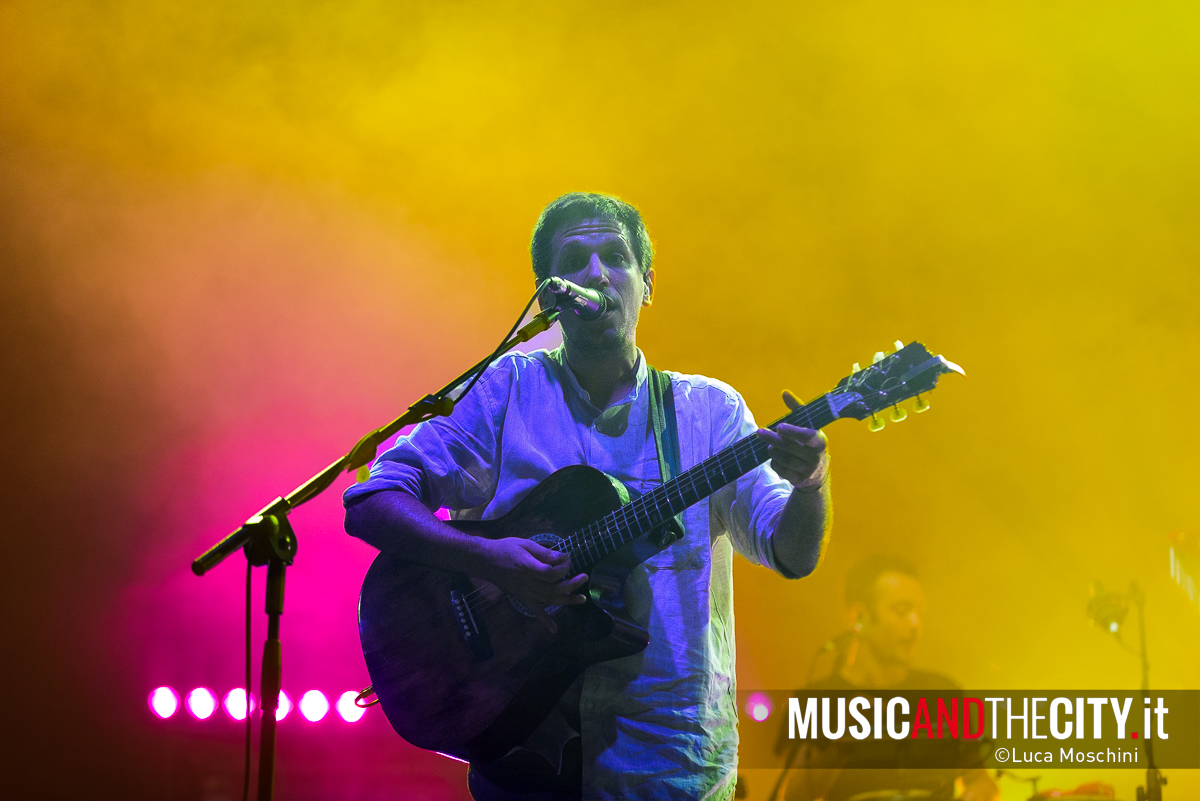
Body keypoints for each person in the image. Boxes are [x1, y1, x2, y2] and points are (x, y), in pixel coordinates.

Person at [344, 192, 832, 801]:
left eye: (615, 258)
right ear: (549, 292)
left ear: (647, 284)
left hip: (671, 767)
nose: (595, 274)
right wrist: (489, 561)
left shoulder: (710, 411)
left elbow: (793, 553)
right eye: (573, 260)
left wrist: (811, 483)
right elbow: (372, 501)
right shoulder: (507, 388)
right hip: (523, 762)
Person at [777, 555, 999, 801]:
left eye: (920, 612)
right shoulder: (815, 702)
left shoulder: (944, 693)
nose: (916, 624)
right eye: (902, 611)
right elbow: (790, 796)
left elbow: (982, 784)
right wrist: (840, 743)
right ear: (858, 617)